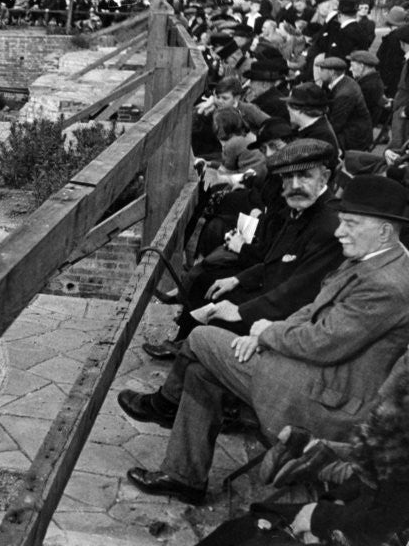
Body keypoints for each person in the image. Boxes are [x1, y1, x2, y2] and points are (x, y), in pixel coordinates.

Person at [120, 174, 409, 505]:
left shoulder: (387, 284)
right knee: (203, 373)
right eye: (341, 221)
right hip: (314, 375)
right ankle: (184, 476)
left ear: (384, 231)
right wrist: (266, 335)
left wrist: (265, 333)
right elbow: (312, 308)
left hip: (328, 400)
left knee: (201, 338)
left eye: (351, 223)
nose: (340, 231)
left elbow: (324, 342)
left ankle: (163, 405)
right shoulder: (376, 257)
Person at [144, 140, 343, 360]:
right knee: (215, 288)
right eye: (288, 177)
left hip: (288, 315)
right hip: (271, 293)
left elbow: (297, 292)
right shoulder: (299, 206)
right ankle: (182, 346)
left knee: (218, 319)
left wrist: (241, 311)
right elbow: (273, 262)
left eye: (305, 176)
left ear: (324, 177)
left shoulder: (328, 226)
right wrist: (237, 280)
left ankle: (187, 357)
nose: (294, 185)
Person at [196, 354, 409, 546]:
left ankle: (320, 457)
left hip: (375, 529)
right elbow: (378, 486)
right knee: (243, 528)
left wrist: (320, 519)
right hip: (365, 508)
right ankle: (320, 456)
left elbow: (384, 520)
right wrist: (333, 503)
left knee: (254, 531)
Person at [316, 57, 373, 152]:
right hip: (352, 131)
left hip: (354, 137)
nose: (319, 73)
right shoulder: (344, 81)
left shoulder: (344, 93)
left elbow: (335, 124)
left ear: (332, 72)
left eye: (322, 70)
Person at [285, 82, 340, 163]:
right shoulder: (314, 127)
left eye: (289, 106)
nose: (287, 109)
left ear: (299, 110)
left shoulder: (320, 135)